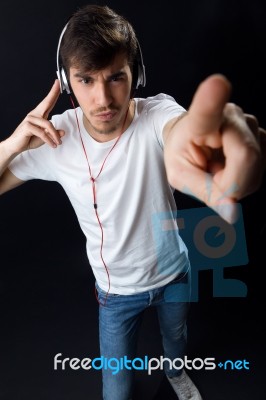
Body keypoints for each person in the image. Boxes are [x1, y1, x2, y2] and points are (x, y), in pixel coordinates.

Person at [0, 4, 265, 400]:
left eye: (116, 78)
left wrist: (204, 143)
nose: (103, 97)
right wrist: (11, 144)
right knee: (116, 390)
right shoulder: (56, 138)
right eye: (86, 80)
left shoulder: (158, 114)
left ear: (135, 75)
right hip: (115, 293)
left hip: (174, 273)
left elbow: (178, 129)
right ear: (66, 81)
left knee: (176, 340)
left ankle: (176, 374)